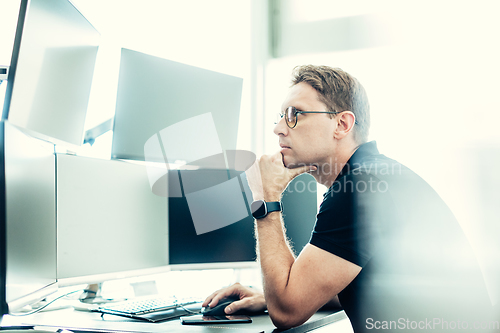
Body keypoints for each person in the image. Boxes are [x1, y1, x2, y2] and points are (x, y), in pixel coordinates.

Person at [203, 65, 490, 332]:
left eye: (293, 114)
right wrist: (271, 295)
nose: (279, 128)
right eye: (280, 117)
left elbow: (287, 312)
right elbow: (371, 287)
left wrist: (266, 198)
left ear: (341, 124)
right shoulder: (373, 176)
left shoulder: (358, 187)